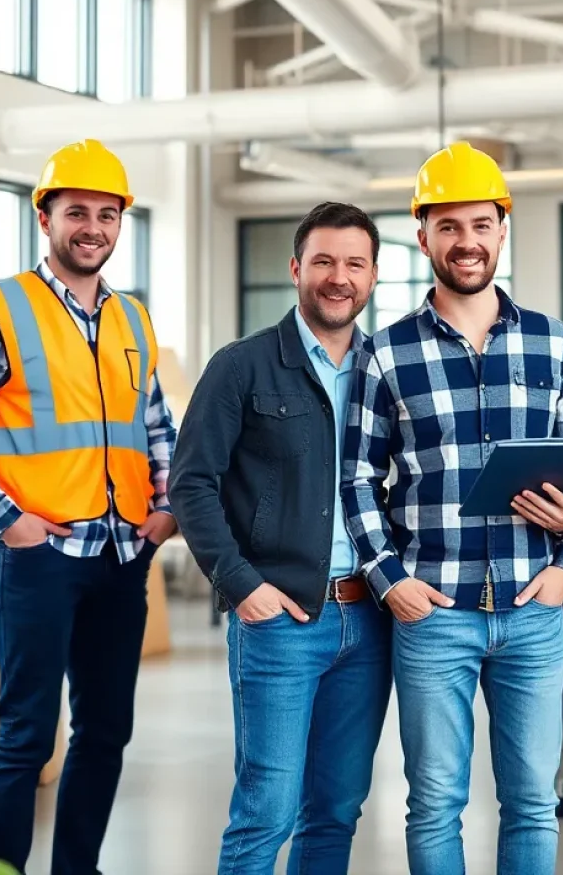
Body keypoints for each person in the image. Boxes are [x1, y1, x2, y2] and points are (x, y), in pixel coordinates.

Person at [341, 141, 563, 875]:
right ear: (422, 236)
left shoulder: (552, 343)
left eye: (480, 224)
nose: (466, 241)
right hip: (433, 612)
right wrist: (390, 580)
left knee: (531, 802)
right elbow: (357, 478)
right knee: (436, 803)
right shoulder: (385, 355)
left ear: (502, 229)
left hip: (534, 608)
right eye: (448, 226)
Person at [0, 139, 178, 875]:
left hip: (119, 558)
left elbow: (157, 424)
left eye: (107, 215)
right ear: (45, 217)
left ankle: (77, 868)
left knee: (106, 730)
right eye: (77, 211)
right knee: (25, 735)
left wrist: (165, 508)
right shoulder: (0, 308)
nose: (93, 228)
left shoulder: (133, 319)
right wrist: (6, 519)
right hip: (39, 559)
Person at [168, 202, 391, 875]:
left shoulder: (387, 370)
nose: (337, 277)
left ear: (374, 276)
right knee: (266, 809)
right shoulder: (242, 366)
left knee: (337, 809)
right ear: (296, 268)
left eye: (354, 263)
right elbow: (190, 484)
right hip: (281, 621)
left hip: (371, 620)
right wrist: (241, 584)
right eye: (323, 261)